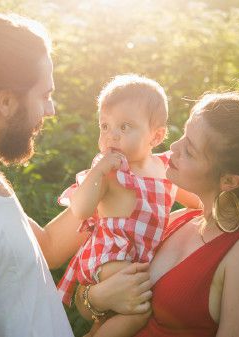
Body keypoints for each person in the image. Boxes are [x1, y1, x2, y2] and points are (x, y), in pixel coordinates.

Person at [0, 6, 148, 337]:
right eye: (45, 95)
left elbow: (44, 250)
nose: (51, 110)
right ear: (6, 102)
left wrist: (107, 184)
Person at [81, 76, 239, 336]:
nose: (173, 147)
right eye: (183, 135)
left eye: (190, 150)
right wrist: (98, 297)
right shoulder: (179, 220)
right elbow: (85, 297)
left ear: (229, 180)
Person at [56, 75, 201, 337]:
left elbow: (199, 204)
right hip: (110, 254)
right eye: (104, 126)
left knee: (128, 306)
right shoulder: (110, 171)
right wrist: (98, 172)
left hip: (142, 258)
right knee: (140, 303)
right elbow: (81, 210)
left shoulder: (165, 169)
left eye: (124, 127)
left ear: (155, 136)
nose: (111, 136)